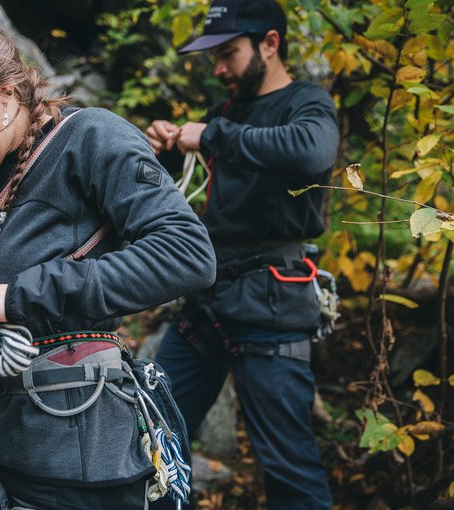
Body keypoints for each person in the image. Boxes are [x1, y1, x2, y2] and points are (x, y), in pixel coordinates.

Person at [0, 4, 216, 509]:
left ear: (3, 89)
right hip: (7, 455)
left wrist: (15, 295)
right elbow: (15, 306)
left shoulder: (92, 137)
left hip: (85, 463)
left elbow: (188, 254)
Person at [146, 0, 339, 509]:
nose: (219, 68)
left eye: (228, 53)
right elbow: (189, 193)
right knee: (155, 435)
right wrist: (168, 150)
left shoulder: (308, 103)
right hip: (206, 305)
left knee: (289, 465)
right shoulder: (227, 112)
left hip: (272, 306)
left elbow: (312, 152)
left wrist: (210, 135)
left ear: (269, 43)